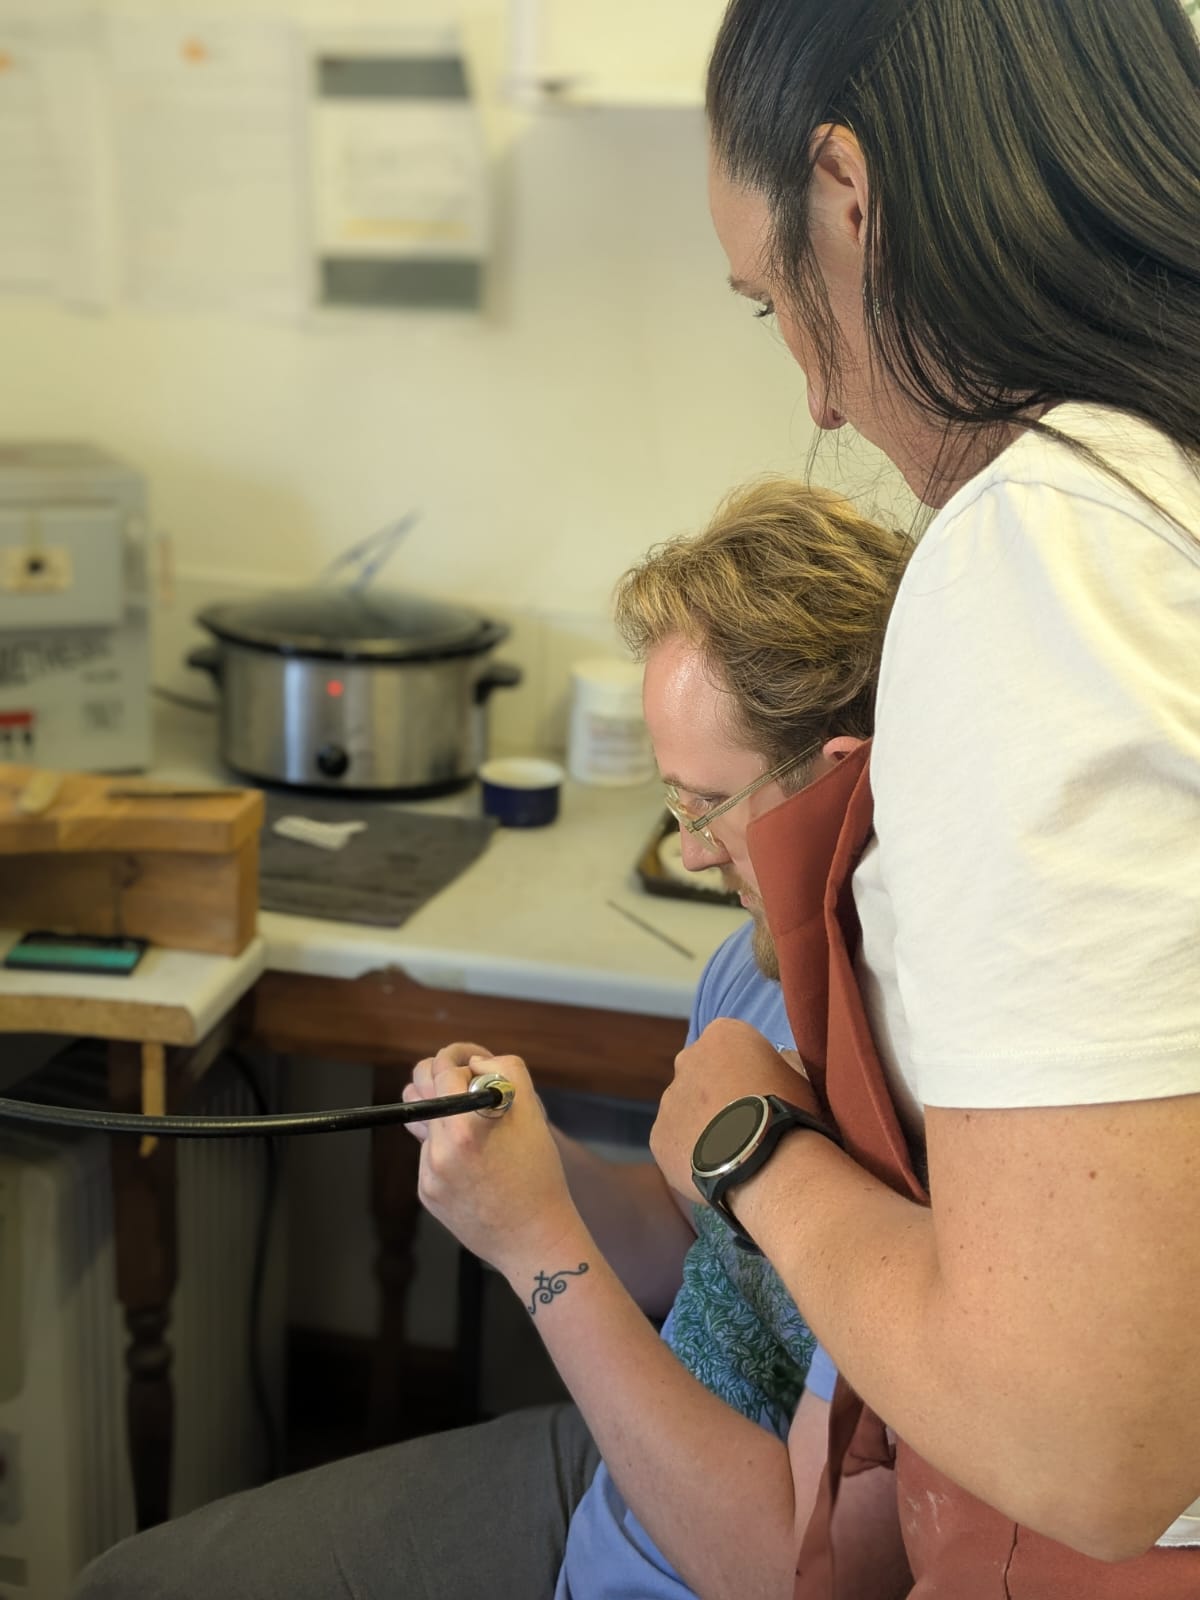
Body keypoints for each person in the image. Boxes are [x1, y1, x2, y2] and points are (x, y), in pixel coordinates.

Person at [73, 480, 911, 1600]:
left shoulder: (936, 1105)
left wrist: (537, 1249)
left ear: (842, 775)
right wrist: (533, 1159)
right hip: (620, 1486)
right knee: (127, 1585)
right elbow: (685, 1244)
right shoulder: (749, 976)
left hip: (703, 1549)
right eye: (675, 809)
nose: (696, 856)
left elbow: (793, 1572)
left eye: (708, 804)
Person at [645, 2, 1200, 1595]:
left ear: (846, 193)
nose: (818, 401)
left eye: (775, 308)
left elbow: (1087, 1439)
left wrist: (754, 1149)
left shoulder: (1056, 540)